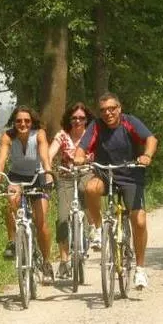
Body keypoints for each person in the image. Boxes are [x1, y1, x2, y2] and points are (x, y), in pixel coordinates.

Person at [74, 92, 158, 290]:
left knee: (139, 220)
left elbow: (151, 139)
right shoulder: (96, 125)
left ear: (119, 108)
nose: (108, 113)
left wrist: (146, 155)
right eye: (103, 110)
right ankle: (96, 228)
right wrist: (79, 157)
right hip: (106, 173)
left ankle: (140, 269)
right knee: (90, 188)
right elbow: (82, 147)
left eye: (112, 109)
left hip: (131, 173)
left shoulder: (130, 122)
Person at [0, 105, 56, 283]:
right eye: (19, 121)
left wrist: (49, 174)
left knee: (41, 222)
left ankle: (46, 262)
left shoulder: (39, 134)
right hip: (16, 177)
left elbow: (44, 156)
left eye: (27, 120)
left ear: (32, 121)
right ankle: (12, 242)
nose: (23, 124)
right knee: (11, 200)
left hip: (38, 176)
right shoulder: (8, 136)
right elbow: (1, 160)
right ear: (14, 122)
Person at [48, 102, 97, 279]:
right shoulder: (62, 135)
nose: (77, 121)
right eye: (74, 118)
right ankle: (64, 261)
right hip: (66, 177)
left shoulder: (92, 135)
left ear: (87, 120)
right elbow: (50, 153)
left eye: (81, 118)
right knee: (62, 217)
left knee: (87, 190)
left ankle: (93, 227)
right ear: (69, 119)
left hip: (86, 174)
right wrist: (46, 169)